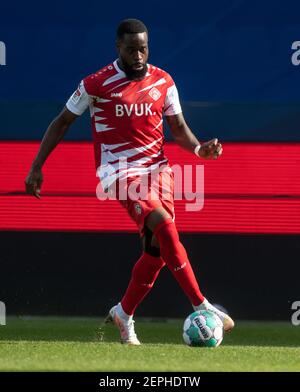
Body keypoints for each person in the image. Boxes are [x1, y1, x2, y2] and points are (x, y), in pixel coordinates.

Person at [25, 18, 234, 345]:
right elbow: (62, 121)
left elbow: (177, 128)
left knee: (157, 254)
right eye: (131, 49)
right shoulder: (96, 84)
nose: (138, 55)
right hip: (119, 172)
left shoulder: (163, 81)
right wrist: (37, 165)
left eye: (143, 48)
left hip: (158, 171)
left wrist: (198, 148)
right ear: (118, 48)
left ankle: (123, 313)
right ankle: (202, 304)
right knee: (165, 227)